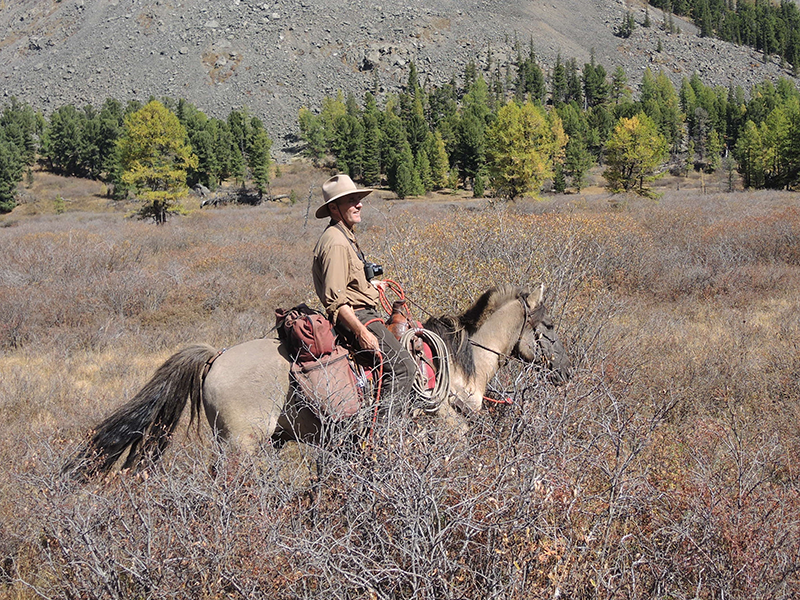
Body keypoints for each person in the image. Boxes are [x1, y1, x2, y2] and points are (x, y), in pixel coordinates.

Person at [312, 174, 416, 414]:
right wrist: (362, 332)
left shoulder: (344, 234)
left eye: (358, 198)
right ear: (333, 208)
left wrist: (371, 286)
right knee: (402, 368)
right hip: (357, 318)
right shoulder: (336, 242)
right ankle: (382, 435)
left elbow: (348, 282)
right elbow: (336, 301)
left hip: (362, 312)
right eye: (351, 200)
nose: (359, 204)